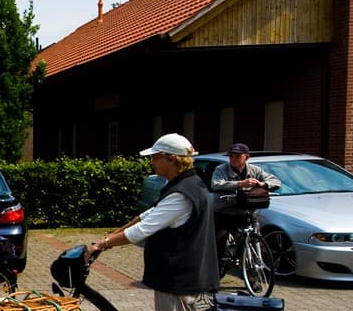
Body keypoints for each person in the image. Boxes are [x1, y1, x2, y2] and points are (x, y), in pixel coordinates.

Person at [86, 133, 218, 311]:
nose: (152, 162)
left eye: (155, 157)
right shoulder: (187, 184)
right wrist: (112, 235)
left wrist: (101, 245)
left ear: (171, 160)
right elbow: (147, 215)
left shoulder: (181, 195)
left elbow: (141, 230)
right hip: (188, 278)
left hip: (179, 282)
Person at [211, 142, 281, 257]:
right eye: (231, 156)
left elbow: (276, 182)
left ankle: (253, 261)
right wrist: (239, 184)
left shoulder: (255, 170)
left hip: (248, 210)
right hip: (226, 211)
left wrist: (262, 184)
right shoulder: (220, 169)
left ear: (246, 157)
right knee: (219, 244)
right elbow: (216, 184)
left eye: (237, 156)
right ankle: (218, 266)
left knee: (254, 236)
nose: (233, 159)